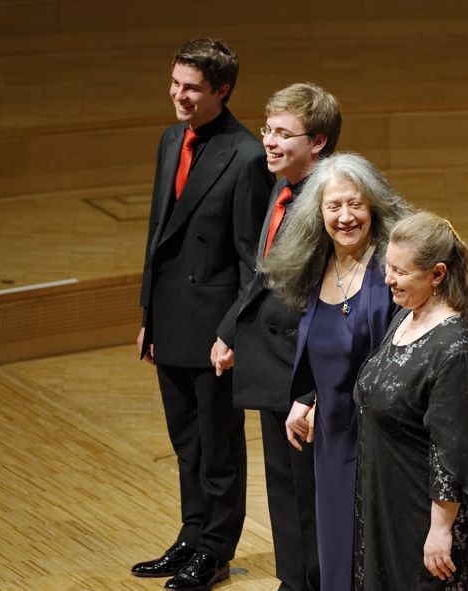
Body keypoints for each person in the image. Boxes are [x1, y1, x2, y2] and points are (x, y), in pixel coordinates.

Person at [132, 38, 274, 591]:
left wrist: (232, 330)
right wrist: (148, 313)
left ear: (222, 90)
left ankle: (214, 550)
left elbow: (252, 259)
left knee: (218, 449)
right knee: (186, 441)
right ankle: (191, 535)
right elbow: (155, 237)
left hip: (214, 327)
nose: (179, 95)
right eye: (175, 83)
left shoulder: (244, 156)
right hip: (170, 319)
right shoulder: (171, 139)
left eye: (192, 88)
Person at [211, 82, 342, 591]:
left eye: (284, 134)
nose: (268, 141)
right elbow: (263, 274)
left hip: (307, 374)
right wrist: (229, 332)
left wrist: (311, 393)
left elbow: (336, 305)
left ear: (319, 142)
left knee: (311, 494)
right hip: (273, 363)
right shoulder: (281, 188)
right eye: (268, 129)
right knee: (284, 491)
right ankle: (293, 581)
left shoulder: (333, 205)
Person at [262, 152, 411, 591]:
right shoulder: (315, 265)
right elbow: (320, 349)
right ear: (318, 213)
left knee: (377, 560)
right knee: (335, 559)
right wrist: (306, 398)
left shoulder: (390, 273)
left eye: (356, 204)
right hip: (332, 439)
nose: (346, 217)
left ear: (374, 207)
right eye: (334, 206)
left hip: (383, 444)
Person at [353, 211, 468, 591]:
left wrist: (440, 530)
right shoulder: (405, 317)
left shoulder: (456, 349)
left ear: (437, 274)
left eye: (401, 272)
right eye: (388, 267)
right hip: (388, 501)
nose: (388, 280)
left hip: (423, 515)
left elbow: (454, 450)